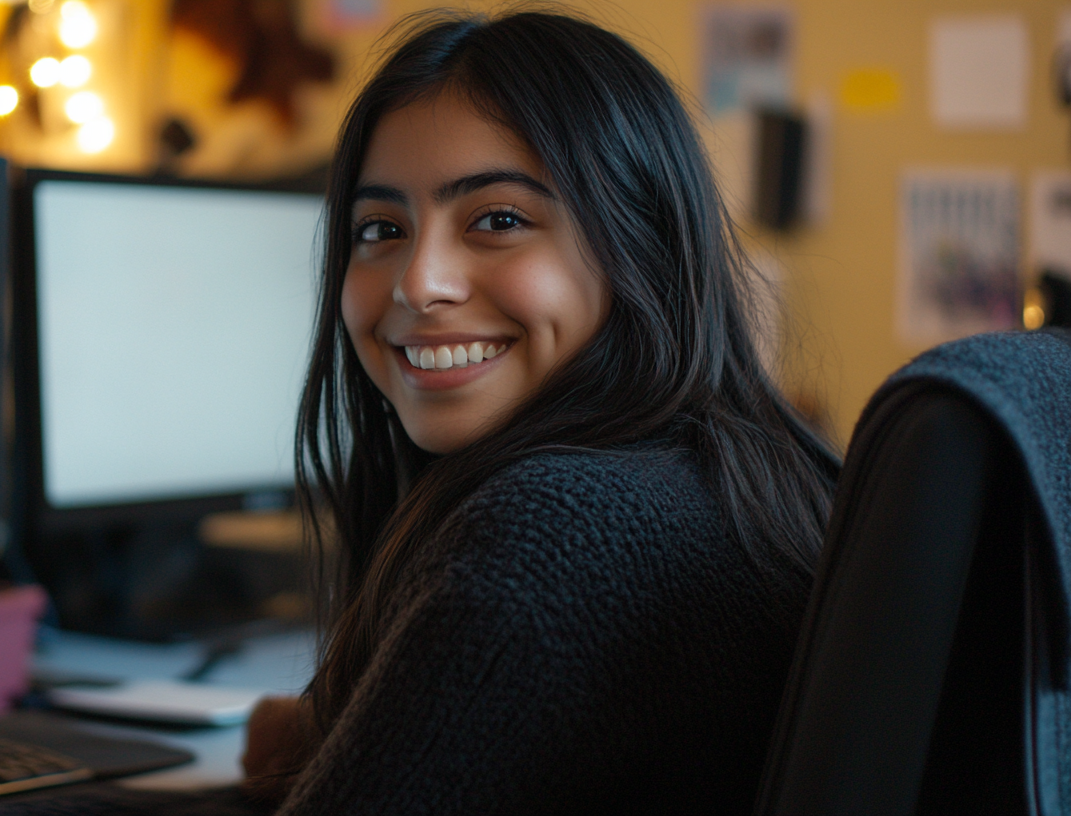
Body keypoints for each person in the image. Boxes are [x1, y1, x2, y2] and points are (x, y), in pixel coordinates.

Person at [238, 9, 840, 815]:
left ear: (642, 248)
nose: (420, 284)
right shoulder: (730, 482)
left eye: (498, 220)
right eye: (380, 228)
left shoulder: (557, 530)